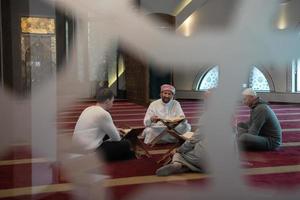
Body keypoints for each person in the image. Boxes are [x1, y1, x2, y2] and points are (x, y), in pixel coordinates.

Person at [72, 88, 136, 161]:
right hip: (90, 152)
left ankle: (127, 158)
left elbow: (94, 129)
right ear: (107, 101)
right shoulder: (103, 113)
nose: (113, 104)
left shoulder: (87, 109)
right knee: (126, 144)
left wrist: (114, 131)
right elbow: (116, 138)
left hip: (77, 148)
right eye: (112, 101)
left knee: (110, 139)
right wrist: (112, 137)